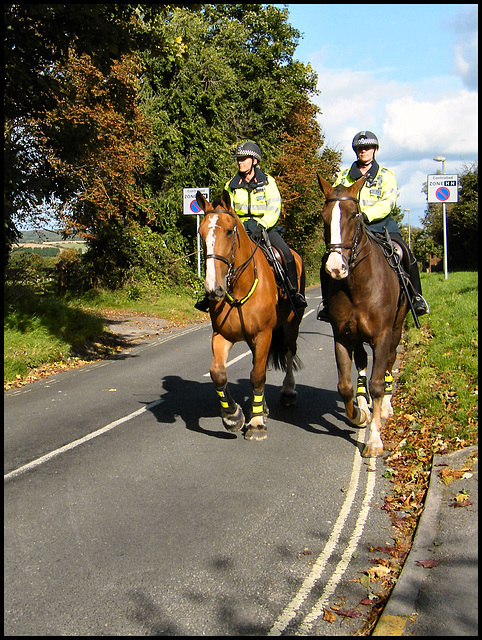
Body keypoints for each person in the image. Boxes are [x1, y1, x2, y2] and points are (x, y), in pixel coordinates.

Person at [317, 130, 430, 321]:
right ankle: (328, 304)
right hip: (351, 229)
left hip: (381, 225)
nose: (363, 151)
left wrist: (366, 215)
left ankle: (416, 297)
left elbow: (389, 202)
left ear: (375, 150)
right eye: (360, 148)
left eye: (367, 148)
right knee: (326, 260)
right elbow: (335, 201)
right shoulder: (344, 177)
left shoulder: (386, 176)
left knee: (405, 253)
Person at [195, 140, 307, 312]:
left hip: (265, 228)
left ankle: (294, 293)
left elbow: (274, 207)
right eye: (239, 159)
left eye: (244, 158)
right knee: (218, 252)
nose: (240, 161)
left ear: (254, 161)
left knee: (284, 253)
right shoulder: (230, 185)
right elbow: (226, 211)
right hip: (239, 229)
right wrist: (238, 225)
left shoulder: (268, 182)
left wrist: (262, 224)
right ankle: (209, 295)